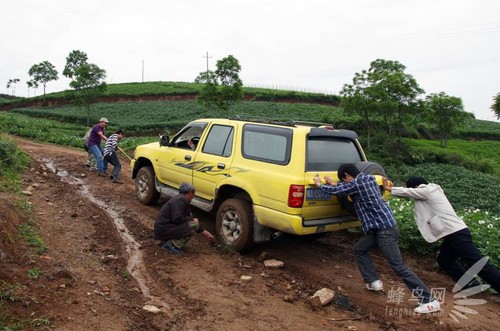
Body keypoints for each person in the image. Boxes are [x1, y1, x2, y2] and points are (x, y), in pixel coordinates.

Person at [314, 164, 441, 314]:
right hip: (379, 229)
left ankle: (429, 300)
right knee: (359, 249)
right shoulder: (369, 179)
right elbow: (347, 187)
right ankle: (373, 281)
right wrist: (336, 183)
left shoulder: (357, 184)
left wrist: (320, 184)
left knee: (399, 267)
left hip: (384, 231)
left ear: (347, 176)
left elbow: (338, 190)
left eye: (344, 179)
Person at [383, 176, 500, 293]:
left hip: (456, 233)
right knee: (444, 259)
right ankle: (470, 284)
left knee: (477, 263)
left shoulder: (428, 190)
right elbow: (410, 193)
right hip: (453, 234)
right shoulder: (430, 192)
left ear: (416, 186)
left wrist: (389, 189)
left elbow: (409, 192)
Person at [154, 183, 215, 255]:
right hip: (163, 230)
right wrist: (191, 219)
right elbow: (177, 219)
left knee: (193, 224)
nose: (193, 196)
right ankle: (171, 245)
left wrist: (207, 234)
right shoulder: (181, 200)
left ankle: (168, 241)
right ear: (190, 193)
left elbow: (191, 222)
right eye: (193, 194)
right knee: (192, 225)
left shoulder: (179, 199)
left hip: (162, 230)